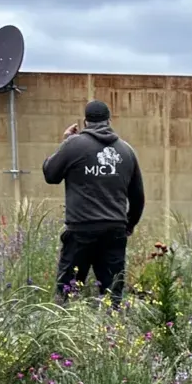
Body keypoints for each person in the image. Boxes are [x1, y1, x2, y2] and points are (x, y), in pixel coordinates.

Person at [43, 100, 145, 305]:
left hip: (81, 230)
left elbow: (50, 174)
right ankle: (114, 333)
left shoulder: (74, 145)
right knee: (113, 296)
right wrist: (129, 224)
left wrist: (65, 143)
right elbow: (138, 197)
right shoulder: (126, 151)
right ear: (109, 120)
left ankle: (64, 332)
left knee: (67, 294)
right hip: (114, 230)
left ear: (85, 121)